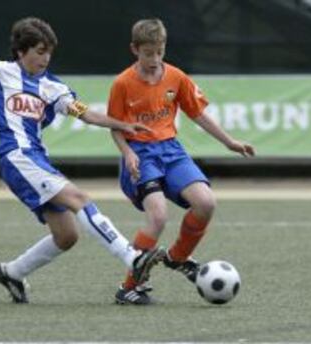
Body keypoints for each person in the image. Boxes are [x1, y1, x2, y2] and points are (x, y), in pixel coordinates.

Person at [0, 17, 165, 304]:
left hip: (37, 159)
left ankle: (12, 272)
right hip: (17, 156)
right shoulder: (1, 72)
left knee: (67, 235)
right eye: (39, 51)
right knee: (79, 198)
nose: (45, 59)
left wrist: (121, 124)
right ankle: (132, 258)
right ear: (21, 52)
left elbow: (85, 113)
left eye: (49, 53)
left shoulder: (52, 87)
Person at [108, 18, 255, 305]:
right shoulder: (123, 83)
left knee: (206, 203)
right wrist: (127, 153)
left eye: (159, 52)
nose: (154, 59)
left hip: (172, 151)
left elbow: (197, 113)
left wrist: (229, 142)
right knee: (158, 216)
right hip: (141, 154)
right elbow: (115, 126)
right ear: (134, 50)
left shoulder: (176, 77)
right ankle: (129, 286)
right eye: (148, 53)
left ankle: (177, 257)